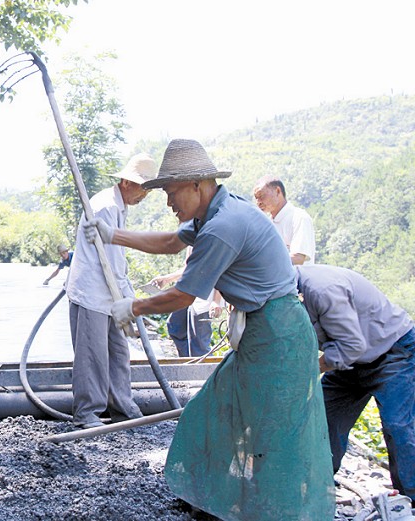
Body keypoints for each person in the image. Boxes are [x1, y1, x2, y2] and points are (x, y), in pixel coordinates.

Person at [84, 139, 334, 520]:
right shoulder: (210, 215)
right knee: (213, 410)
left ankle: (276, 510)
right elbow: (170, 242)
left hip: (279, 337)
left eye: (170, 193)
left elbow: (184, 295)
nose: (169, 203)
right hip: (259, 332)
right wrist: (112, 234)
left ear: (197, 185)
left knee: (273, 432)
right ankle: (214, 498)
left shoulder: (223, 226)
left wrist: (132, 307)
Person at [296, 264, 415, 499]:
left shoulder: (321, 290)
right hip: (350, 360)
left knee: (398, 426)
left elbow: (351, 346)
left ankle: (410, 498)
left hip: (392, 353)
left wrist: (311, 369)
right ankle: (315, 489)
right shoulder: (288, 296)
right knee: (323, 417)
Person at [64, 153, 158, 429]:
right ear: (127, 182)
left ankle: (122, 407)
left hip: (110, 294)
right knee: (93, 355)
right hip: (93, 292)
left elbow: (118, 263)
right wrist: (131, 303)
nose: (145, 196)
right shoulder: (105, 207)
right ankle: (87, 413)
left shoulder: (119, 206)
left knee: (118, 352)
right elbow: (112, 261)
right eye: (144, 188)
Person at [151, 247, 224, 357]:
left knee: (199, 343)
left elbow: (221, 269)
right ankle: (188, 364)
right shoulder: (192, 238)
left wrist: (216, 301)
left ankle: (202, 370)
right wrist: (166, 279)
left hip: (206, 295)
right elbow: (188, 268)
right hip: (189, 290)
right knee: (176, 326)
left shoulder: (216, 236)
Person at [253, 175, 316, 265]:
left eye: (262, 196)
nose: (259, 202)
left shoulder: (299, 218)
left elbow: (298, 258)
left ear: (277, 191)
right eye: (256, 198)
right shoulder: (267, 224)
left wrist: (264, 263)